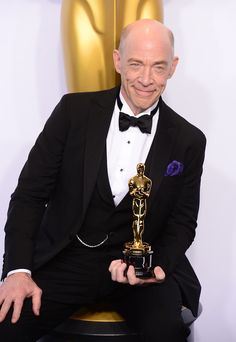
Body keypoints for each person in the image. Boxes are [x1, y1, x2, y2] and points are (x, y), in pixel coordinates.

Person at [0, 19, 206, 342]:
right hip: (68, 260)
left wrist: (153, 269)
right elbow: (29, 195)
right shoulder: (72, 112)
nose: (146, 79)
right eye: (136, 64)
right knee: (7, 325)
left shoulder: (189, 141)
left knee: (168, 331)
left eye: (158, 67)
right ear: (117, 60)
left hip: (138, 273)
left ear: (173, 67)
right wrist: (17, 272)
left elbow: (183, 223)